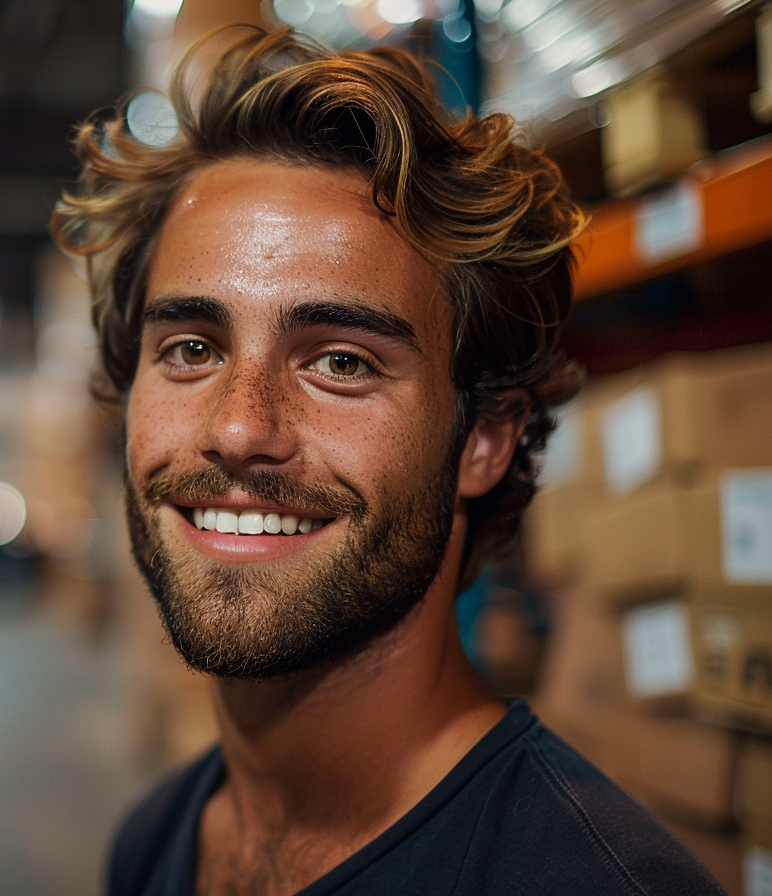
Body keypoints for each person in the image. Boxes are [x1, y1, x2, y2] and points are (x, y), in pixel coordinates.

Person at [51, 26, 726, 896]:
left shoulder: (590, 882)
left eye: (341, 362)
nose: (239, 428)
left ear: (484, 437)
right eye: (190, 348)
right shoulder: (155, 843)